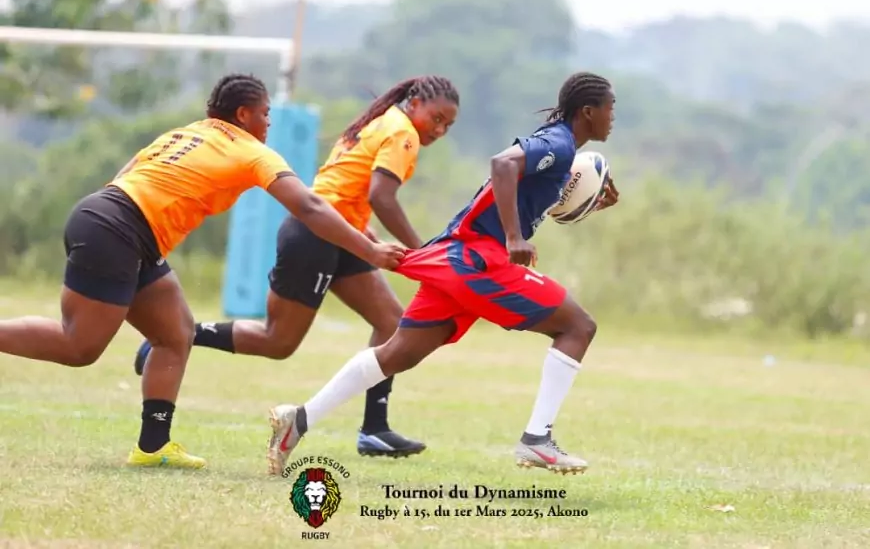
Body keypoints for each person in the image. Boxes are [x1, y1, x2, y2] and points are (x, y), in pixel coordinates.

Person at [0, 73, 404, 470]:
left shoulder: (185, 133)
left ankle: (153, 446)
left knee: (175, 333)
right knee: (79, 347)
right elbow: (310, 207)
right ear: (244, 114)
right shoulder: (252, 151)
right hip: (119, 229)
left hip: (110, 217)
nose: (269, 123)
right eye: (265, 114)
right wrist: (369, 248)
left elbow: (127, 173)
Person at [266, 71, 620, 476]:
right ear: (589, 111)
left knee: (398, 354)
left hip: (460, 259)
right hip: (477, 260)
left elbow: (528, 193)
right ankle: (537, 439)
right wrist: (513, 237)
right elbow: (503, 164)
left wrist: (589, 203)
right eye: (611, 108)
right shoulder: (557, 142)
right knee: (579, 326)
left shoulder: (557, 146)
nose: (613, 116)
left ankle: (299, 419)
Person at [132, 75, 460, 458]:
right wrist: (426, 252)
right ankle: (184, 334)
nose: (438, 130)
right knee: (278, 342)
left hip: (342, 233)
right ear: (416, 102)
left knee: (391, 323)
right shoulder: (400, 131)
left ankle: (374, 429)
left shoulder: (381, 121)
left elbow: (343, 187)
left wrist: (366, 232)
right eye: (436, 118)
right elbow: (381, 196)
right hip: (316, 235)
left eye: (447, 125)